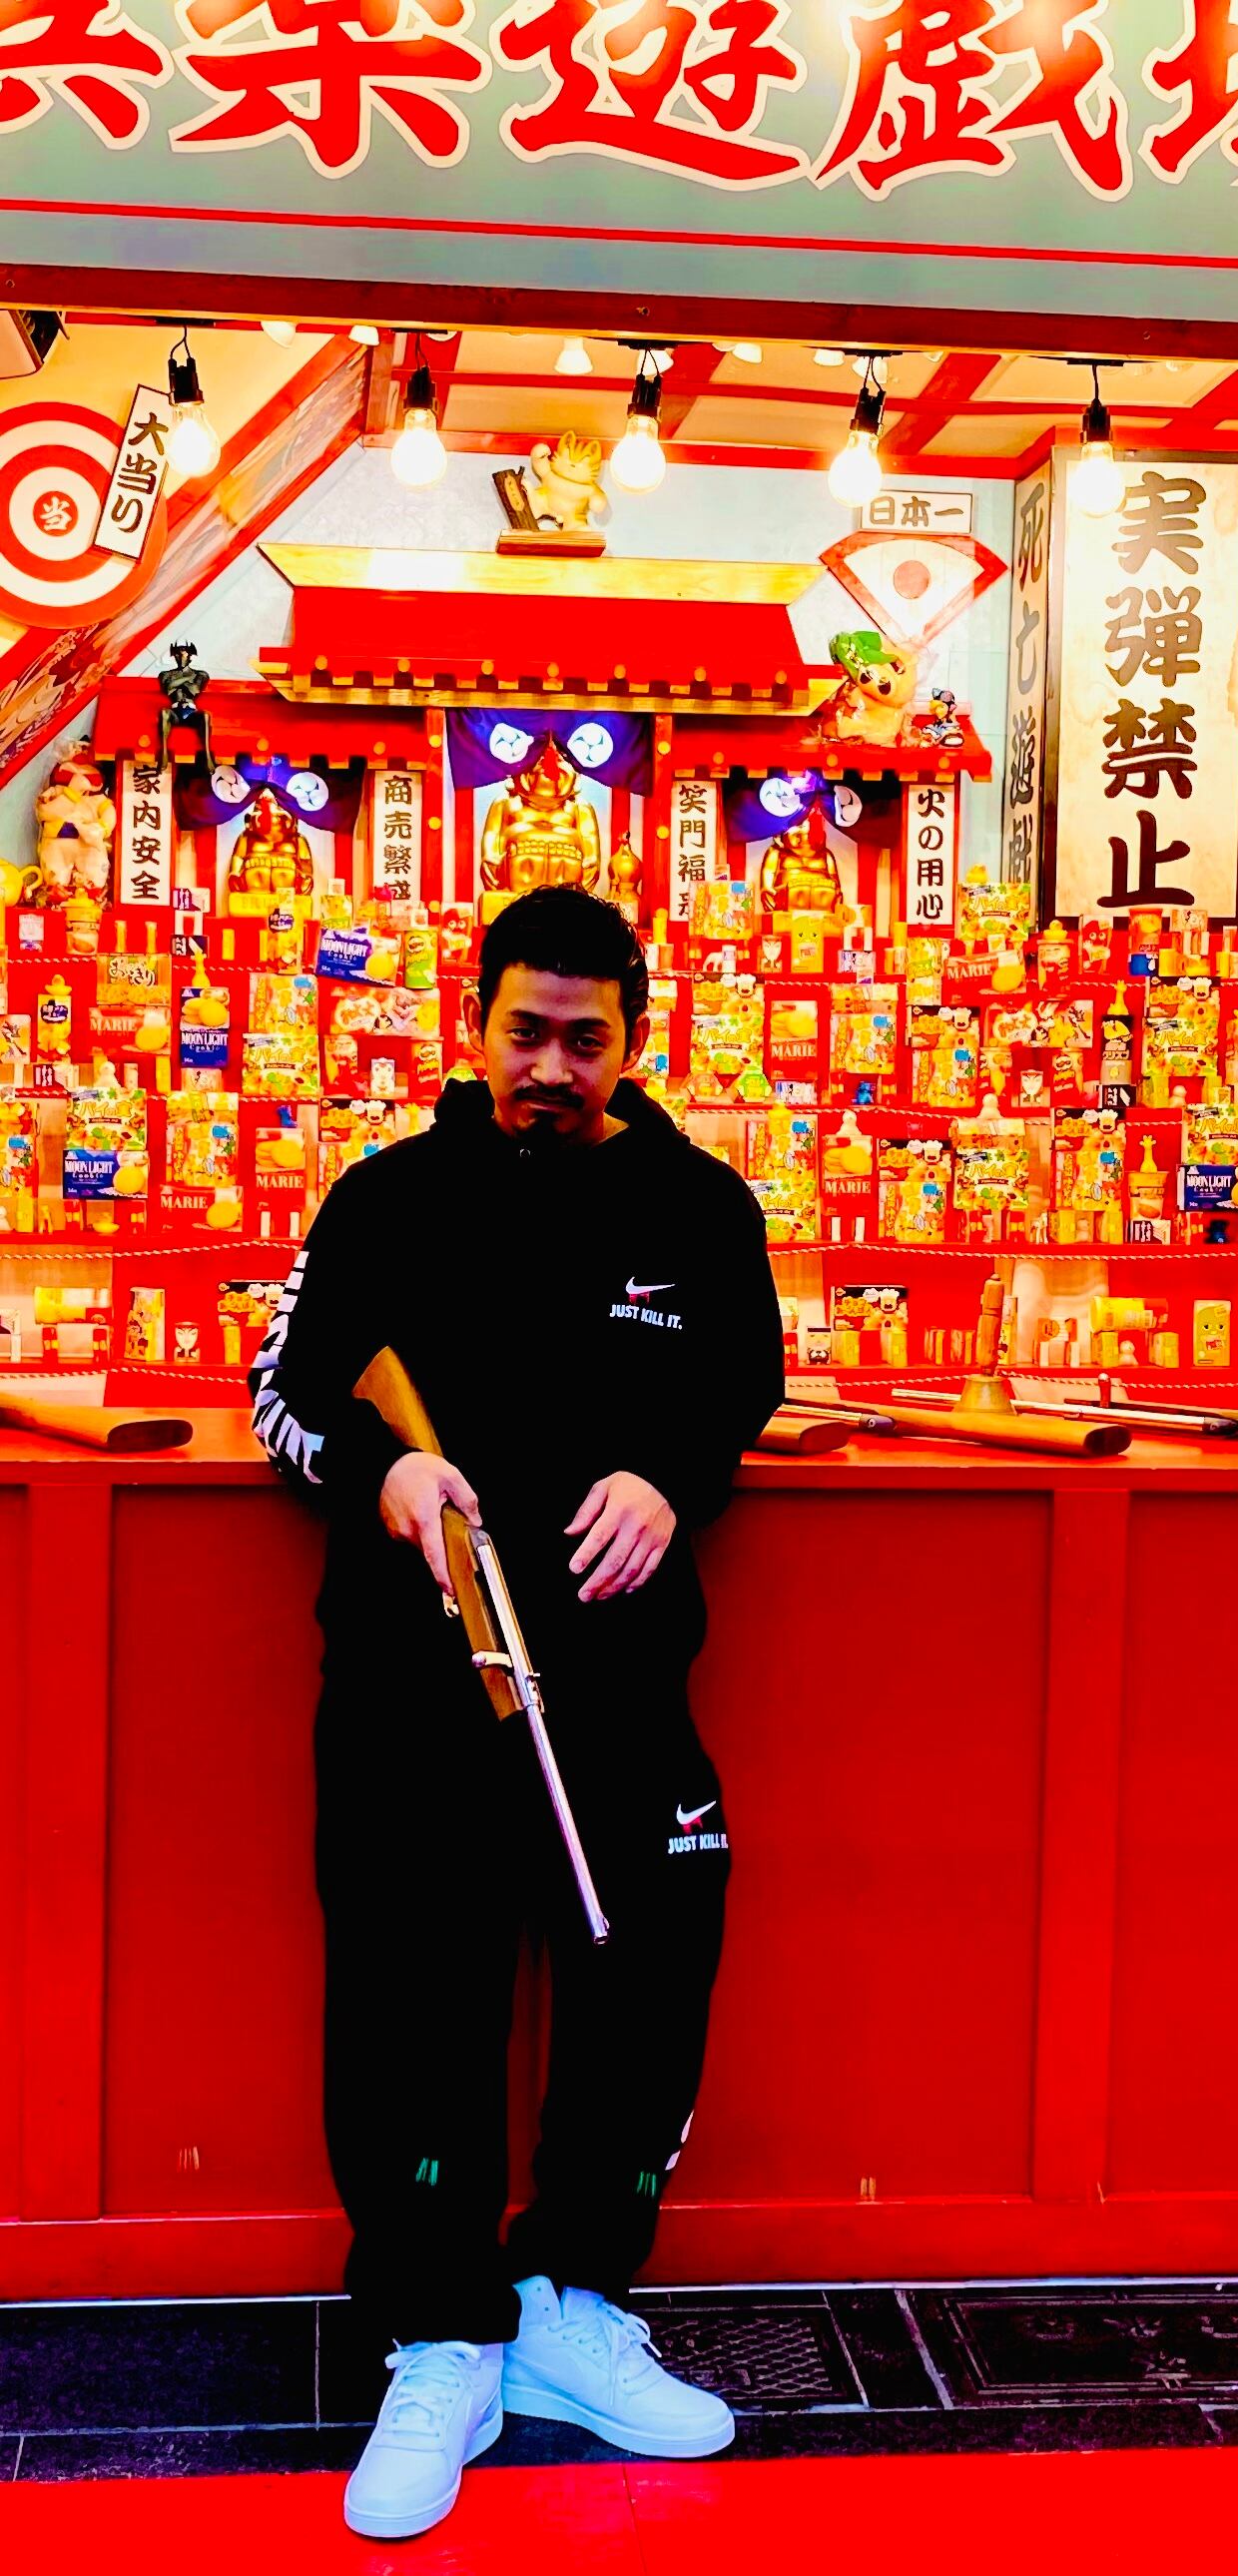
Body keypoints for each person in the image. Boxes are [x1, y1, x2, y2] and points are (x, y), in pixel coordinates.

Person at [249, 886, 784, 2541]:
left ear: (634, 1040)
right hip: (414, 1690)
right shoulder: (385, 1198)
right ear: (475, 1025)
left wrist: (671, 1477)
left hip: (623, 1688)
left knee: (646, 1977)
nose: (552, 1066)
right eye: (525, 1032)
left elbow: (743, 1387)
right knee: (415, 2006)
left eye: (585, 1039)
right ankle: (441, 2337)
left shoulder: (703, 1210)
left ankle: (569, 2306)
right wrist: (387, 1472)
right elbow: (284, 1391)